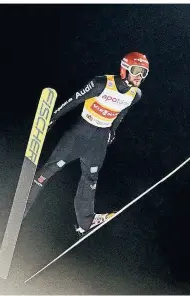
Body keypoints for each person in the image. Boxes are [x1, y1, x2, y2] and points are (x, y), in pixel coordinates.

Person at [23, 52, 150, 234]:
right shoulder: (101, 83)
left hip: (99, 139)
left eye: (144, 73)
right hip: (80, 133)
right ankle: (23, 207)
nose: (140, 76)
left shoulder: (135, 94)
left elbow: (122, 112)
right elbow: (75, 99)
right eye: (137, 70)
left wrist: (112, 131)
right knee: (50, 169)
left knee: (90, 178)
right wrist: (52, 118)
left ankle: (86, 221)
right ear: (125, 69)